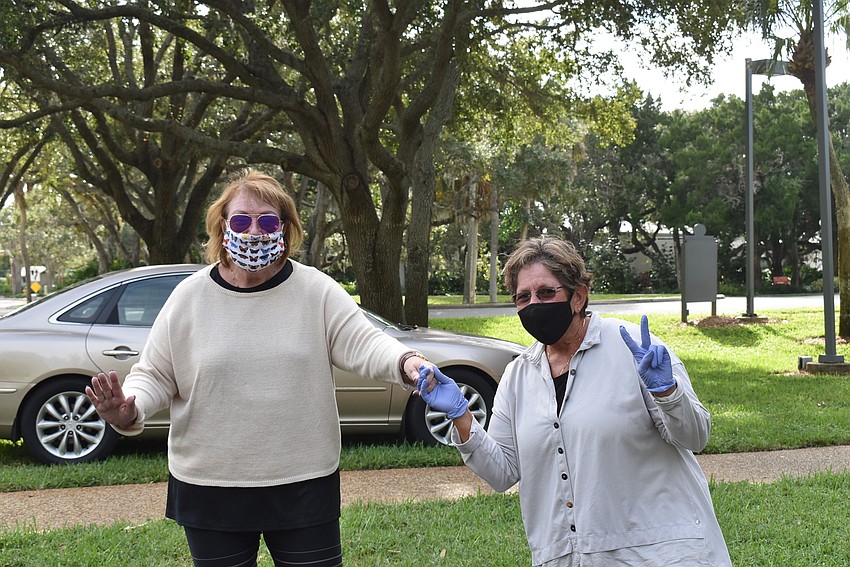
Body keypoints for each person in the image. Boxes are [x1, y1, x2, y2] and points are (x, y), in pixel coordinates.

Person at [86, 168, 430, 567]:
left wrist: (408, 362)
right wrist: (130, 408)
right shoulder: (189, 297)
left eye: (267, 220)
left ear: (285, 228)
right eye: (241, 220)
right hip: (211, 485)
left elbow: (365, 343)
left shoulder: (315, 290)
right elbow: (156, 374)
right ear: (222, 225)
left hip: (304, 482)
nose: (254, 231)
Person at [418, 236, 731, 567]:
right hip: (570, 556)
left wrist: (667, 392)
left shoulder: (635, 348)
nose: (534, 304)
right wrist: (461, 415)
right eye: (523, 297)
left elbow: (695, 437)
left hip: (661, 553)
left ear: (578, 296)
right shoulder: (518, 375)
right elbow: (502, 473)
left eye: (546, 292)